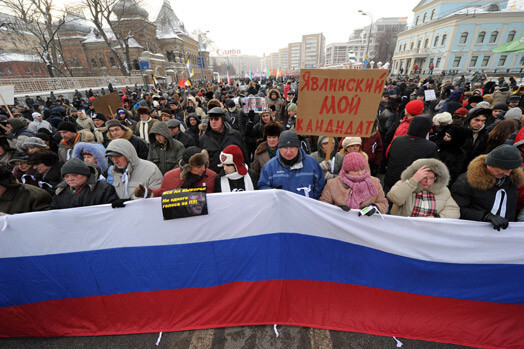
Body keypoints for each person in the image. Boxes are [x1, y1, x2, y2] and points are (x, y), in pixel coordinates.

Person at [452, 144, 524, 230]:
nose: (508, 173)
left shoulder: (512, 180)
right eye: (504, 169)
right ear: (491, 164)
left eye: (511, 169)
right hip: (475, 231)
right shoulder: (467, 181)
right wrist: (485, 216)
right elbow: (456, 209)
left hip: (504, 233)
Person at [258, 130, 325, 199]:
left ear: (298, 147)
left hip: (304, 208)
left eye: (292, 147)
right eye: (285, 148)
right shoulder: (269, 167)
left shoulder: (312, 164)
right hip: (281, 207)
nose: (289, 152)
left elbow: (320, 186)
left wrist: (312, 201)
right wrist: (273, 193)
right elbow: (262, 186)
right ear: (279, 148)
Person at [387, 158, 460, 218]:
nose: (427, 181)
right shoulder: (402, 183)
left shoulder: (443, 190)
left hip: (429, 229)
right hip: (405, 227)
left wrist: (437, 218)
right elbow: (395, 199)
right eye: (424, 177)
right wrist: (413, 181)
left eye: (431, 178)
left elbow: (454, 210)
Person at [135, 147, 217, 198]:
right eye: (199, 167)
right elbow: (163, 194)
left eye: (204, 165)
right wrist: (147, 193)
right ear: (187, 167)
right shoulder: (170, 176)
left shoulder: (212, 176)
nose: (203, 169)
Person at [320, 152, 388, 213]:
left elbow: (384, 204)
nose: (360, 173)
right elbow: (323, 205)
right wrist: (337, 210)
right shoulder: (333, 184)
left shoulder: (374, 182)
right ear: (346, 171)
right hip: (340, 223)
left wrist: (375, 207)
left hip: (366, 223)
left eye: (362, 169)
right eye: (355, 171)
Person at [384, 116, 438, 191]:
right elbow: (432, 169)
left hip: (392, 183)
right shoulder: (431, 147)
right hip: (411, 187)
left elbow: (388, 157)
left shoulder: (397, 140)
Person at [51, 158, 119, 209]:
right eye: (66, 176)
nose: (70, 179)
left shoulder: (103, 189)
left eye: (75, 175)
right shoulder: (59, 192)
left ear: (86, 175)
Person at [198, 107, 248, 174]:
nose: (213, 122)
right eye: (211, 119)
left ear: (223, 120)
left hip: (233, 174)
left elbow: (244, 156)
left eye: (216, 119)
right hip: (213, 176)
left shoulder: (235, 135)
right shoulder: (203, 138)